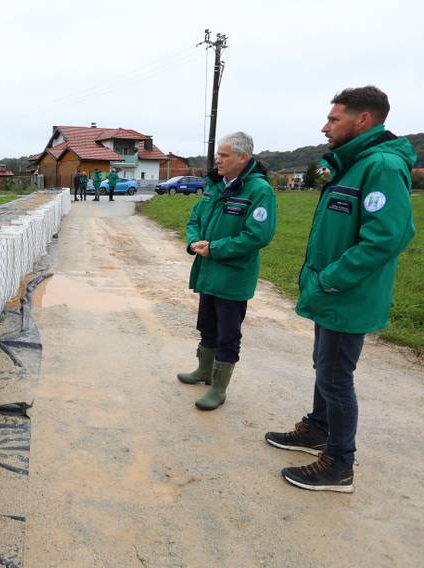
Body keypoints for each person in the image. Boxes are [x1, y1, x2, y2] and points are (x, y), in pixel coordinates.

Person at [265, 86, 416, 493]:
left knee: (335, 377)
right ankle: (318, 429)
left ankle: (339, 464)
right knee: (325, 367)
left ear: (363, 120)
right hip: (331, 291)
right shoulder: (354, 163)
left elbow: (388, 236)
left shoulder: (380, 165)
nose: (325, 126)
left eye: (334, 119)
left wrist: (332, 278)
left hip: (346, 293)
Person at [177, 131, 277, 411]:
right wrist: (193, 241)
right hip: (208, 271)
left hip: (233, 276)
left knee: (228, 334)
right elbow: (195, 218)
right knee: (206, 325)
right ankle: (203, 371)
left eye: (224, 156)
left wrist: (216, 248)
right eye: (218, 155)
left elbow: (258, 235)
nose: (217, 160)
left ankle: (219, 389)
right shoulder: (215, 186)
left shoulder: (259, 190)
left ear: (243, 158)